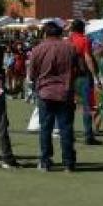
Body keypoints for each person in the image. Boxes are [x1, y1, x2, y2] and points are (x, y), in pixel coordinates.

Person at [29, 19, 79, 172]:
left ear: (45, 33)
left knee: (46, 128)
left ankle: (45, 161)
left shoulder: (38, 49)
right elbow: (78, 69)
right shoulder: (70, 48)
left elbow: (32, 74)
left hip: (45, 92)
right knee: (66, 129)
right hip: (65, 92)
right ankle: (68, 162)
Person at [68, 19, 102, 145]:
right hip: (83, 76)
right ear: (82, 28)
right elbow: (88, 58)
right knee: (87, 107)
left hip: (70, 77)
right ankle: (88, 135)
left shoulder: (68, 41)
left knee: (70, 107)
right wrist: (95, 76)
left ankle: (69, 134)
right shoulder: (84, 40)